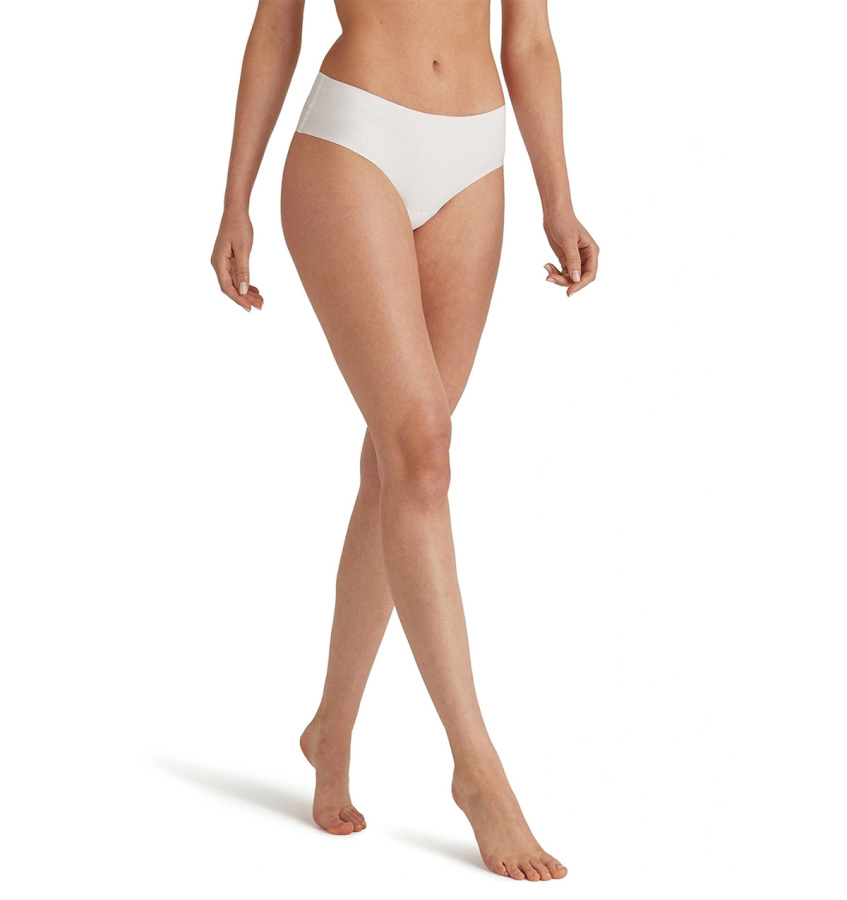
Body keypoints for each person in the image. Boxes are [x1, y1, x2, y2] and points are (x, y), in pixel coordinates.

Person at [210, 0, 598, 882]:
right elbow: (276, 24)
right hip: (354, 139)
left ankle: (330, 728)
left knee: (401, 468)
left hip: (475, 157)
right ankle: (477, 770)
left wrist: (558, 198)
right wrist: (235, 198)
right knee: (420, 448)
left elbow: (529, 38)